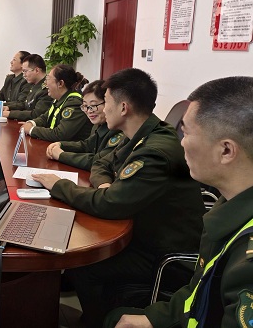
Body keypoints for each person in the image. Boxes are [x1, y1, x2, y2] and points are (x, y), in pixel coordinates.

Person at [32, 68, 205, 328]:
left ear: (123, 107)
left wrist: (58, 185)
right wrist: (104, 184)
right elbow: (102, 162)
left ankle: (96, 322)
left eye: (106, 102)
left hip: (162, 251)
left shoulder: (155, 151)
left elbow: (109, 204)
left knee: (86, 265)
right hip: (144, 230)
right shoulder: (141, 134)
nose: (103, 109)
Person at [105, 76, 253, 328]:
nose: (181, 142)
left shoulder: (247, 263)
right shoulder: (229, 205)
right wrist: (153, 318)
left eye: (186, 132)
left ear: (226, 150)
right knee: (116, 318)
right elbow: (199, 289)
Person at [46, 79, 124, 170]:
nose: (89, 111)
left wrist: (61, 155)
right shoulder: (99, 124)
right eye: (85, 106)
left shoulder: (119, 129)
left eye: (93, 105)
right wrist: (61, 145)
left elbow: (99, 161)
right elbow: (87, 145)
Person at [21, 64, 91, 142]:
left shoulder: (74, 104)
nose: (45, 83)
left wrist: (31, 130)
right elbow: (45, 118)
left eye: (48, 79)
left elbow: (60, 134)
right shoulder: (60, 99)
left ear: (60, 83)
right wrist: (32, 123)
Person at [2, 53, 52, 121]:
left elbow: (36, 114)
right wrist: (8, 107)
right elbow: (26, 104)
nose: (24, 75)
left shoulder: (47, 88)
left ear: (37, 70)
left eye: (25, 71)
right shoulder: (34, 85)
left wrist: (10, 114)